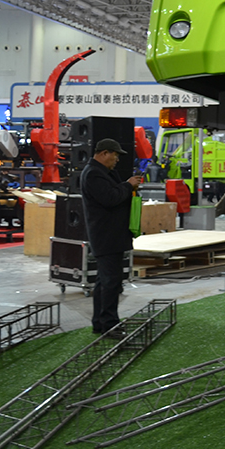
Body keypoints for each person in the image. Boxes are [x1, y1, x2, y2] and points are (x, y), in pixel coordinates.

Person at [80, 138, 144, 336]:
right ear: (104, 153)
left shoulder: (103, 173)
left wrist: (128, 187)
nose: (116, 160)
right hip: (106, 237)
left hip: (111, 236)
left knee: (105, 281)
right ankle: (109, 325)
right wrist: (128, 185)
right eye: (115, 155)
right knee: (110, 282)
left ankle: (100, 323)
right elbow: (110, 198)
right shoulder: (93, 174)